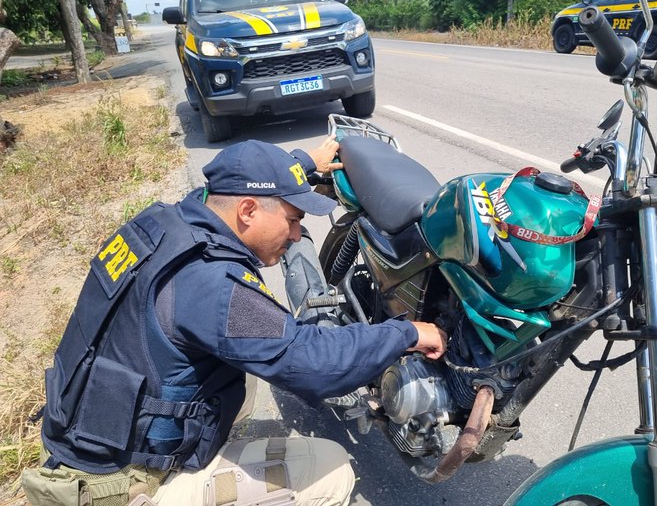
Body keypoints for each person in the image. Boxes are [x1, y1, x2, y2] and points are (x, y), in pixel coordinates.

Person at [22, 137, 447, 506]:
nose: (298, 234)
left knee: (237, 381)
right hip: (111, 487)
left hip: (80, 437)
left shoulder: (166, 222)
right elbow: (312, 363)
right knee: (331, 469)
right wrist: (406, 332)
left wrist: (298, 164)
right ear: (247, 210)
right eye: (294, 219)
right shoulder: (210, 286)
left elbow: (229, 182)